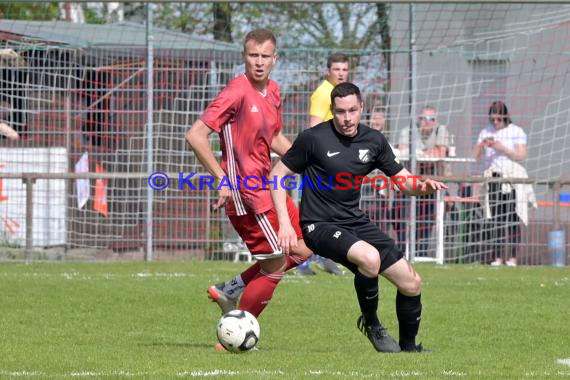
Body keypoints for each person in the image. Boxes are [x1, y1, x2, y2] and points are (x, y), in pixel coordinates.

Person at [270, 82, 447, 352]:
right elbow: (276, 175)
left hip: (355, 222)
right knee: (370, 258)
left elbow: (403, 181)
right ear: (332, 111)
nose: (347, 118)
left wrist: (421, 186)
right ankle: (372, 323)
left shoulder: (374, 140)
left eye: (353, 110)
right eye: (340, 111)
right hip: (319, 225)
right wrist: (284, 223)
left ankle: (410, 349)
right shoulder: (313, 138)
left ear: (361, 108)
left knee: (412, 283)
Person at [185, 29, 311, 325]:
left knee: (306, 247)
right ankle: (238, 329)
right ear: (244, 57)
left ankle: (229, 291)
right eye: (253, 55)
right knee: (276, 265)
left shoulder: (274, 91)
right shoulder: (236, 91)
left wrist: (307, 161)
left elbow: (275, 137)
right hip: (246, 196)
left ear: (274, 59)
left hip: (267, 188)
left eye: (265, 56)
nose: (258, 62)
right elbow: (195, 136)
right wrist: (221, 177)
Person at [296, 53, 350, 275]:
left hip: (333, 162)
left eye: (344, 69)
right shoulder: (323, 93)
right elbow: (314, 129)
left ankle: (324, 256)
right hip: (319, 164)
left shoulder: (341, 94)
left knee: (331, 213)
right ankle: (301, 261)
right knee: (312, 215)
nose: (340, 73)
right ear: (328, 71)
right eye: (336, 69)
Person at [473, 101, 529, 266]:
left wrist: (503, 148)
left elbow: (521, 155)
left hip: (512, 178)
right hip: (493, 177)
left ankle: (512, 257)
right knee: (494, 218)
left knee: (512, 217)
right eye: (493, 120)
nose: (495, 123)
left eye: (498, 119)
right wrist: (482, 145)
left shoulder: (516, 131)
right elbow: (475, 156)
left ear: (505, 117)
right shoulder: (485, 131)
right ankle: (496, 256)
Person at [394, 106, 449, 256]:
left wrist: (418, 154)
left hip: (433, 179)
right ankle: (402, 249)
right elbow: (403, 151)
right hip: (411, 179)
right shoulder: (408, 131)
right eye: (424, 118)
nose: (428, 122)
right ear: (419, 119)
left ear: (436, 121)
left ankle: (421, 252)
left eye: (432, 119)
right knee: (399, 212)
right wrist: (421, 154)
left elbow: (440, 152)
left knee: (428, 217)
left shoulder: (440, 130)